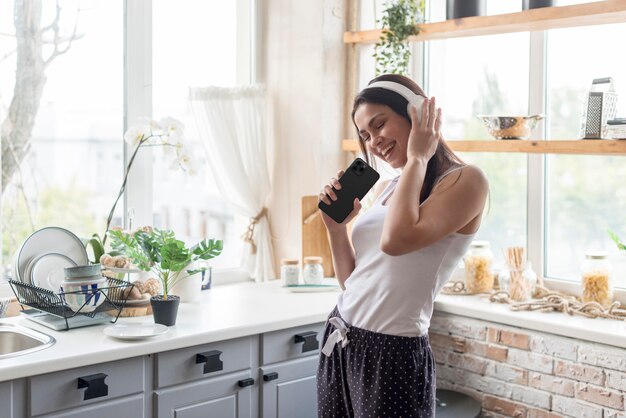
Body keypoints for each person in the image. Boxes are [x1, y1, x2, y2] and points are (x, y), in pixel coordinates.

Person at [316, 73, 489, 418]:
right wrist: (336, 229)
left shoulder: (465, 179)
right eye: (365, 135)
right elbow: (354, 283)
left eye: (379, 125)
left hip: (392, 352)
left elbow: (396, 241)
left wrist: (418, 158)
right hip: (341, 338)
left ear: (416, 115)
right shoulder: (393, 187)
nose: (374, 141)